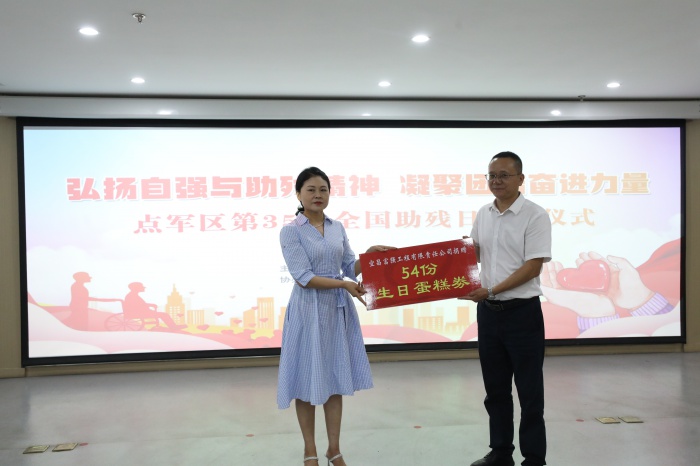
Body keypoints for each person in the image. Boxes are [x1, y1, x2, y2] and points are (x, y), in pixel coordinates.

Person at [277, 166, 394, 466]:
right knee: (305, 381)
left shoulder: (337, 227)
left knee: (333, 379)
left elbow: (349, 267)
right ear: (298, 194)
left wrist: (369, 257)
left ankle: (334, 449)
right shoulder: (291, 231)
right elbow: (303, 277)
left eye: (323, 190)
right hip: (307, 310)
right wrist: (343, 285)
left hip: (335, 311)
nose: (318, 195)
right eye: (311, 190)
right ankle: (310, 450)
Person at [464, 152, 552, 466]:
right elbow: (473, 254)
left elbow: (533, 267)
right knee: (496, 390)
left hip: (522, 313)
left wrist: (492, 289)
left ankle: (534, 458)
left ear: (520, 179)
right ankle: (501, 452)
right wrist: (445, 263)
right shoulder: (484, 213)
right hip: (489, 314)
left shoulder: (535, 215)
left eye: (503, 175)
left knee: (530, 391)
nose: (497, 181)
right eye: (492, 175)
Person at [123, 282, 187, 331]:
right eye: (142, 287)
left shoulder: (132, 295)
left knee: (164, 314)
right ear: (136, 288)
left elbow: (139, 305)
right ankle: (173, 327)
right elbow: (136, 306)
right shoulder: (132, 296)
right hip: (139, 313)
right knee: (164, 315)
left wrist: (149, 305)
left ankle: (173, 327)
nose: (144, 288)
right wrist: (148, 308)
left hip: (140, 312)